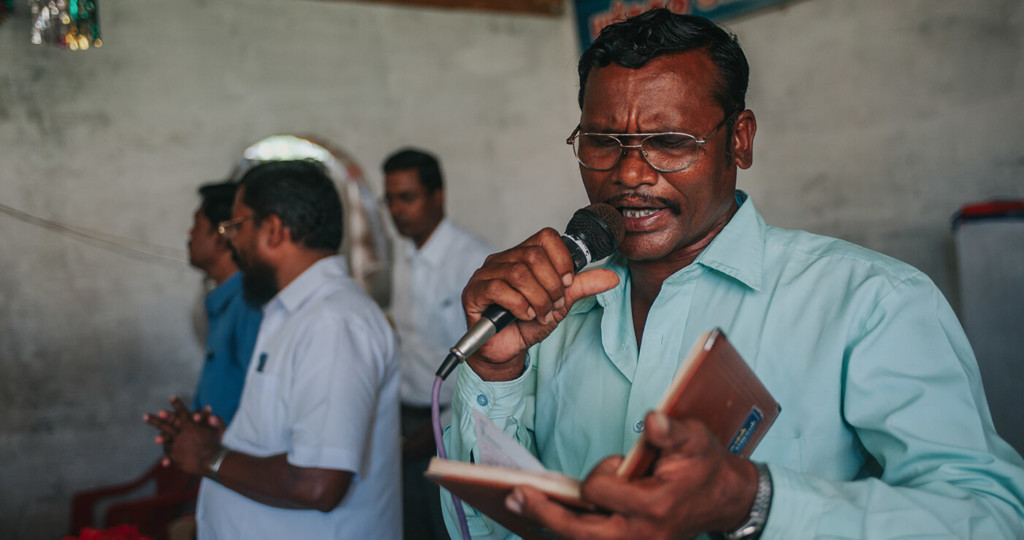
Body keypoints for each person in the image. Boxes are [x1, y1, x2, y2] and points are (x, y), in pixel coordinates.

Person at [442, 9, 1024, 540]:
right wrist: (497, 372)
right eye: (604, 141)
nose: (630, 173)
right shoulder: (545, 316)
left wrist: (754, 501)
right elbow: (482, 530)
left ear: (739, 141)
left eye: (669, 142)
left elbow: (993, 518)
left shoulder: (871, 303)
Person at [145, 160, 401, 539]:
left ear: (274, 230)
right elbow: (285, 440)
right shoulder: (287, 313)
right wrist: (228, 440)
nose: (231, 240)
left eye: (236, 226)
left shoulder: (333, 322)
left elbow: (317, 483)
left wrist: (209, 457)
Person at [382, 148, 493, 540]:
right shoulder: (403, 256)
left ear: (438, 196)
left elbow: (482, 360)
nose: (396, 210)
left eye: (406, 198)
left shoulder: (473, 260)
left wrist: (436, 428)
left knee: (448, 526)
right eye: (390, 199)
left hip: (449, 424)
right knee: (409, 526)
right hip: (405, 422)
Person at [187, 180, 263, 425]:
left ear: (222, 236)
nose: (190, 234)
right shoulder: (223, 303)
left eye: (197, 225)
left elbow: (256, 399)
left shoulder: (249, 306)